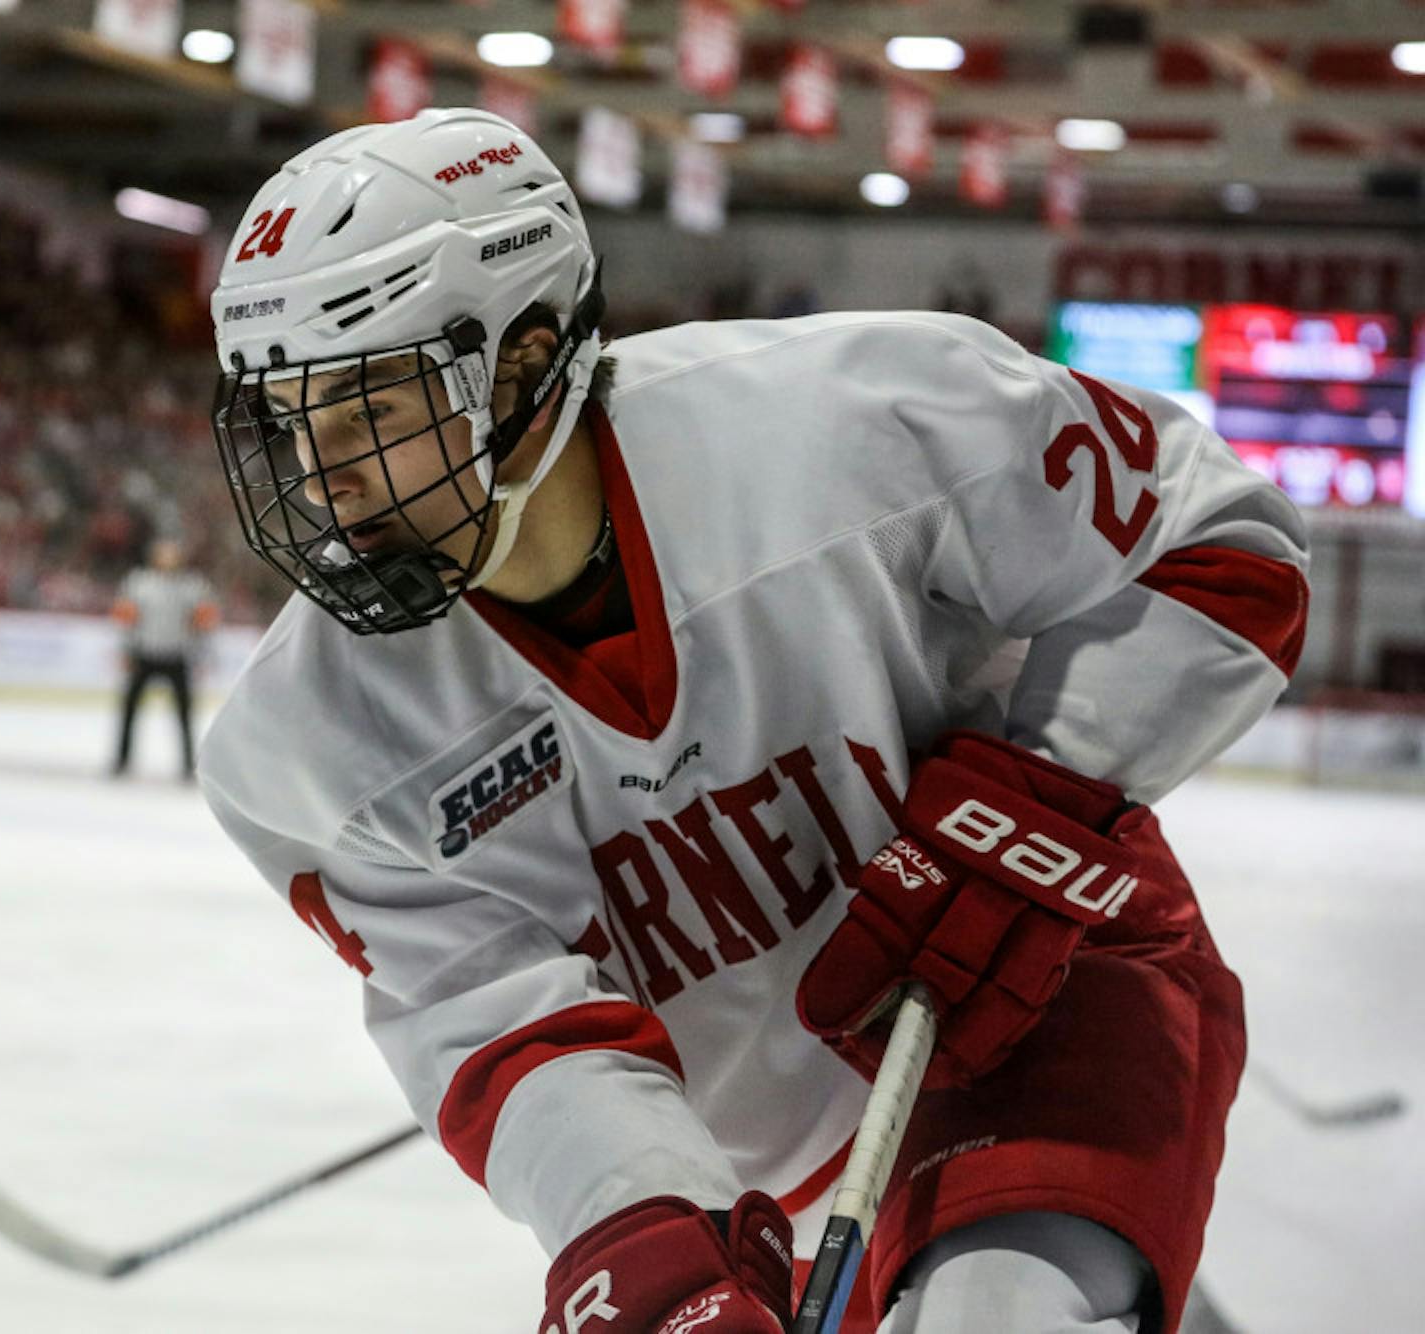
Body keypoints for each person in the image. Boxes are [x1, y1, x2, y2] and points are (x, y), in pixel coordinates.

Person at [196, 108, 1309, 1334]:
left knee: (1000, 1311)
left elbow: (1220, 543)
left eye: (366, 408)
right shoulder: (304, 743)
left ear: (516, 363)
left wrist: (1030, 809)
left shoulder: (850, 422)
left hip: (1045, 995)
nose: (323, 474)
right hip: (767, 1172)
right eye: (291, 422)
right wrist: (638, 1232)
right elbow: (505, 1025)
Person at [110, 537, 217, 780]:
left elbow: (203, 622)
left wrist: (201, 654)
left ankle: (187, 764)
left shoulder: (193, 585)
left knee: (184, 713)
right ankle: (122, 759)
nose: (168, 559)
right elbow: (126, 620)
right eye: (164, 554)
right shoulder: (139, 583)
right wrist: (126, 650)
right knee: (129, 710)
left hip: (177, 655)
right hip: (144, 654)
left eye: (173, 554)